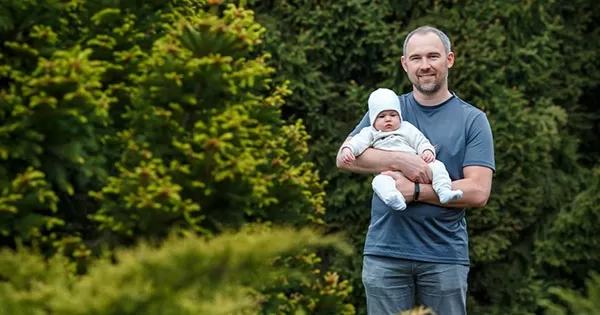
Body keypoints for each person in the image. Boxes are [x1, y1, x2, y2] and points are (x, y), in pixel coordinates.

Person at [336, 25, 495, 315]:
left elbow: (478, 191)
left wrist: (417, 191)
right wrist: (400, 160)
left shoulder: (472, 120)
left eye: (433, 56)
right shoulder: (387, 111)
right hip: (386, 255)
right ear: (404, 64)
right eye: (416, 58)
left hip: (444, 257)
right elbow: (345, 157)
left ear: (449, 60)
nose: (425, 66)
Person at [339, 87, 463, 211]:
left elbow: (420, 140)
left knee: (438, 166)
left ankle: (444, 191)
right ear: (373, 120)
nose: (388, 119)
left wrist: (427, 151)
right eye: (381, 116)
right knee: (379, 181)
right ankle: (393, 198)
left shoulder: (406, 128)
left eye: (393, 115)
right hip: (390, 173)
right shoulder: (370, 133)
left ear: (399, 116)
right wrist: (348, 150)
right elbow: (357, 142)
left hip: (418, 164)